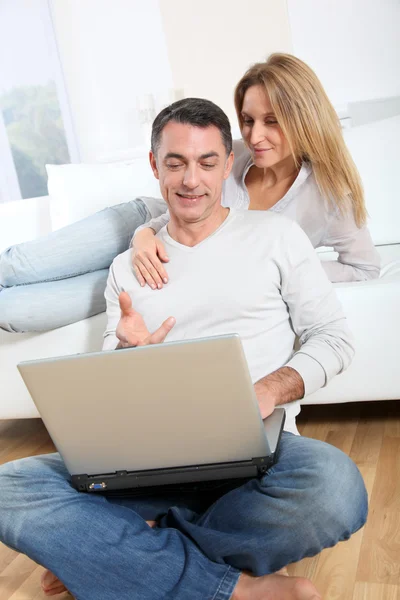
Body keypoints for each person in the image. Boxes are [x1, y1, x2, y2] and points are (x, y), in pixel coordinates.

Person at [0, 98, 367, 600]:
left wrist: (267, 389)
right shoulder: (126, 268)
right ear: (155, 166)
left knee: (336, 488)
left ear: (227, 165)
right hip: (141, 462)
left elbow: (335, 338)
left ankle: (118, 554)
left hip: (255, 458)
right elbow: (109, 392)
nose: (191, 179)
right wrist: (125, 355)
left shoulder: (278, 237)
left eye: (206, 162)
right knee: (7, 487)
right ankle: (235, 588)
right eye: (175, 163)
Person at [0, 53, 380, 333]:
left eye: (272, 122)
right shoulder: (233, 153)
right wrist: (143, 233)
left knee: (15, 311)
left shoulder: (331, 196)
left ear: (303, 118)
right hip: (142, 226)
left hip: (168, 269)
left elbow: (363, 267)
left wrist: (287, 271)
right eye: (247, 121)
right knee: (17, 266)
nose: (255, 136)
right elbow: (188, 198)